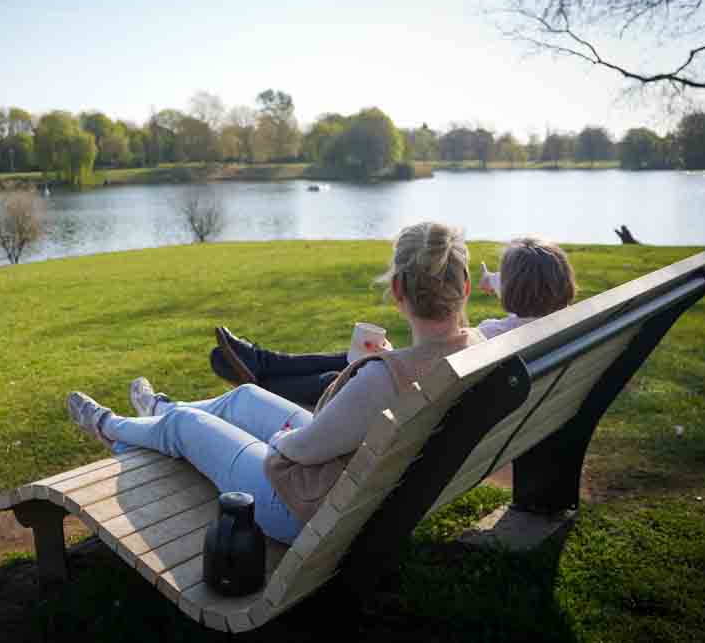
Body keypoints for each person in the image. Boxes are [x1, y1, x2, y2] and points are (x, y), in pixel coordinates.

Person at [66, 221, 483, 545]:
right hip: (367, 491)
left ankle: (112, 426)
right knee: (244, 396)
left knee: (186, 428)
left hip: (302, 511)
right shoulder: (478, 352)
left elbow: (302, 448)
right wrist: (375, 364)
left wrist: (281, 440)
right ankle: (159, 410)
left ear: (397, 290)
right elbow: (362, 412)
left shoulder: (384, 379)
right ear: (464, 287)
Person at [211, 236, 577, 407]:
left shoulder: (494, 336)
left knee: (344, 373)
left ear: (517, 290)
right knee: (352, 359)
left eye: (503, 278)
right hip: (447, 391)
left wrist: (390, 359)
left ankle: (260, 383)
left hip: (416, 400)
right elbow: (520, 290)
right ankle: (261, 363)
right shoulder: (559, 324)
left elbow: (433, 367)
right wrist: (492, 280)